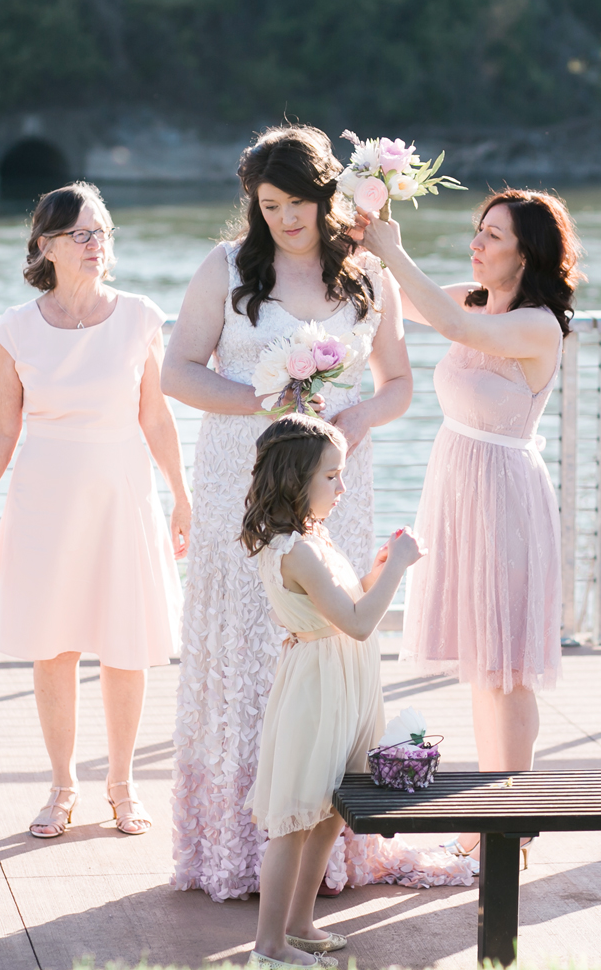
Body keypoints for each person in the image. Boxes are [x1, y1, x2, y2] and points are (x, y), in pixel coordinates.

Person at [165, 125, 469, 900]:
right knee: (248, 639)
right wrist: (257, 400)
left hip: (338, 474)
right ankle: (237, 845)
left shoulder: (368, 274)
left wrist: (361, 420)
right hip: (246, 469)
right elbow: (176, 372)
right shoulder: (227, 268)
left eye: (298, 203)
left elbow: (397, 380)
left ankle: (327, 849)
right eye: (269, 205)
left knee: (329, 635)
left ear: (328, 196)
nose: (285, 219)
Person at [357, 188, 583, 860]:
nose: (476, 244)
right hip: (460, 485)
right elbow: (407, 301)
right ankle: (490, 813)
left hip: (506, 496)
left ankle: (510, 824)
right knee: (482, 667)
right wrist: (363, 240)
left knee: (508, 667)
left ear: (527, 252)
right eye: (477, 231)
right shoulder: (481, 295)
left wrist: (393, 250)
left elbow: (457, 329)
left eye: (492, 236)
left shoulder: (538, 324)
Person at [0, 182, 188, 838]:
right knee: (53, 643)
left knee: (126, 641)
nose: (96, 245)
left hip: (124, 493)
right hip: (44, 498)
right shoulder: (16, 328)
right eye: (82, 234)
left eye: (103, 232)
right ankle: (62, 785)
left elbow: (156, 414)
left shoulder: (141, 316)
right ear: (46, 246)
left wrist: (181, 492)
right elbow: (2, 427)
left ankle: (123, 782)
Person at [240, 416, 426, 968]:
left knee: (329, 812)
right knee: (296, 819)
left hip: (341, 683)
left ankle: (298, 923)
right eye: (332, 476)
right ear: (297, 478)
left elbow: (347, 604)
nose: (341, 488)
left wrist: (371, 574)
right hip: (319, 692)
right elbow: (359, 623)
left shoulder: (310, 536)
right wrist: (398, 568)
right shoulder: (296, 549)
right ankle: (268, 947)